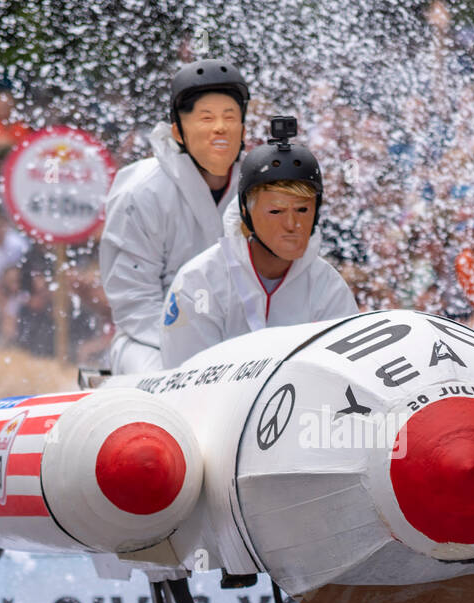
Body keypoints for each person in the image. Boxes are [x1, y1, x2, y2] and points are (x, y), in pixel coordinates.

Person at [159, 119, 357, 367]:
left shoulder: (328, 286)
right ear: (245, 211)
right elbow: (182, 380)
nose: (292, 224)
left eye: (303, 209)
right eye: (276, 211)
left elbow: (345, 371)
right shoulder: (199, 281)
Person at [100, 59, 250, 373]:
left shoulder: (258, 190)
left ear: (243, 129)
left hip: (241, 343)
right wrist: (196, 354)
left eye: (229, 117)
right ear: (178, 132)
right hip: (151, 340)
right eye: (206, 118)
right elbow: (134, 300)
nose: (219, 128)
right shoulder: (142, 191)